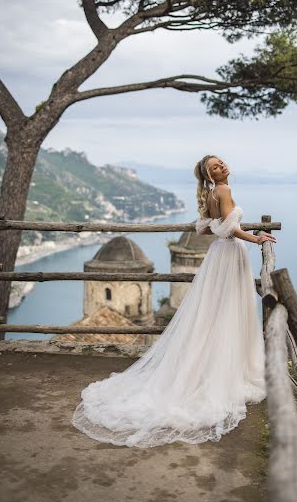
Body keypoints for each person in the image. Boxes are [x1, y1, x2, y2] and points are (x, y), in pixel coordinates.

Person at [71, 154, 277, 448]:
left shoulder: (209, 194)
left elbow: (205, 228)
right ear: (210, 174)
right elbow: (230, 230)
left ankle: (213, 367)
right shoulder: (224, 191)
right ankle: (228, 370)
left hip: (216, 255)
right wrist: (256, 238)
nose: (223, 167)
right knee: (230, 310)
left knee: (213, 311)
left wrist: (227, 228)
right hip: (231, 253)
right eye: (216, 167)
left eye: (222, 163)